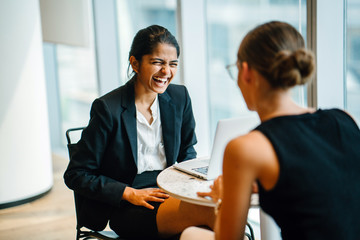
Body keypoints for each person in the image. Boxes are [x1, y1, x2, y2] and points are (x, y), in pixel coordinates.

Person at [180, 21, 360, 240]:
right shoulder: (345, 119)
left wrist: (222, 199)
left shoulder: (246, 148)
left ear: (246, 72)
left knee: (190, 235)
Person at [64, 25, 215, 240]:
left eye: (173, 64)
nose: (166, 72)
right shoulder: (108, 108)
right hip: (128, 203)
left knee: (206, 224)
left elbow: (187, 151)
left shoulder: (180, 97)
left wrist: (189, 185)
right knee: (208, 214)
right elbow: (76, 174)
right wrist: (129, 193)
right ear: (135, 63)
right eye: (157, 63)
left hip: (171, 190)